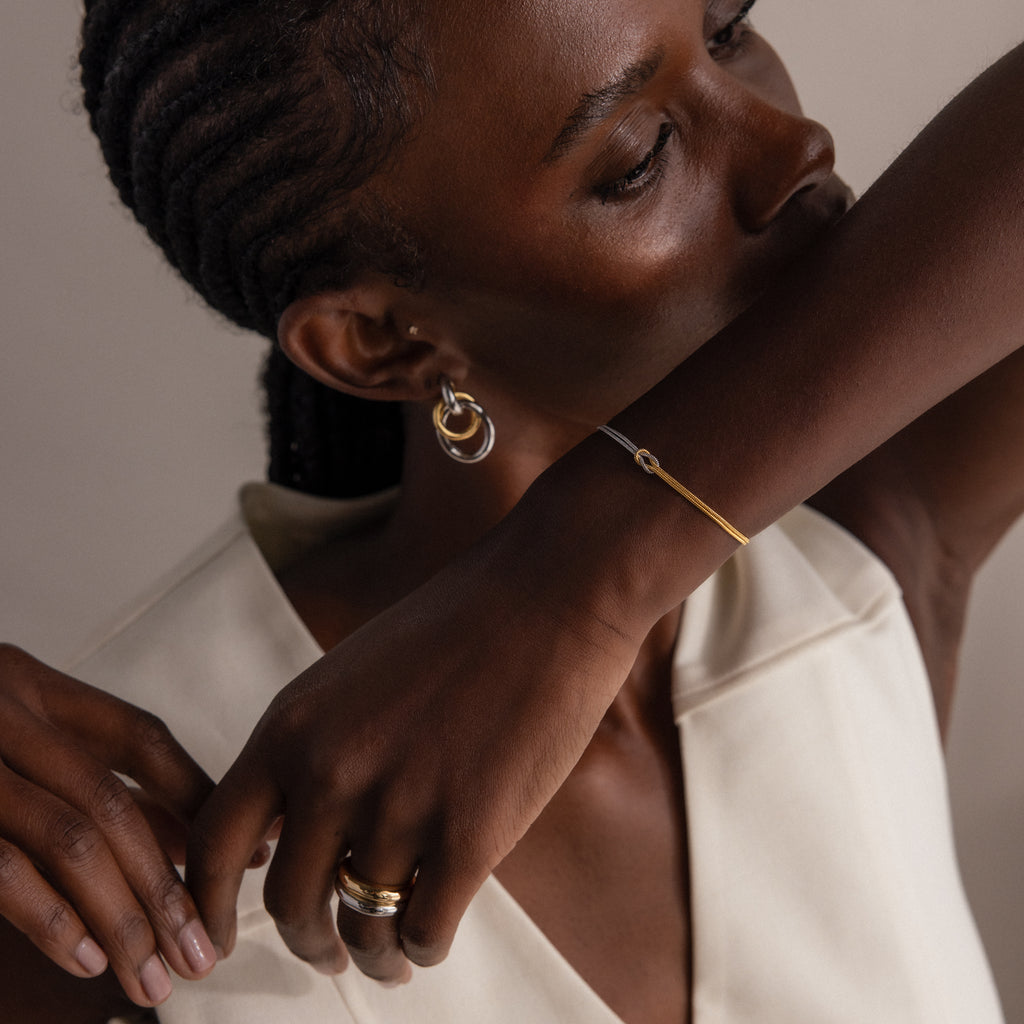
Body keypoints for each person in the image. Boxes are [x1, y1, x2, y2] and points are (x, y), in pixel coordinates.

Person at [1, 0, 1022, 1020]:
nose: (793, 143)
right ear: (382, 343)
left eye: (726, 29)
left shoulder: (850, 543)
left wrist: (587, 571)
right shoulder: (118, 844)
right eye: (637, 156)